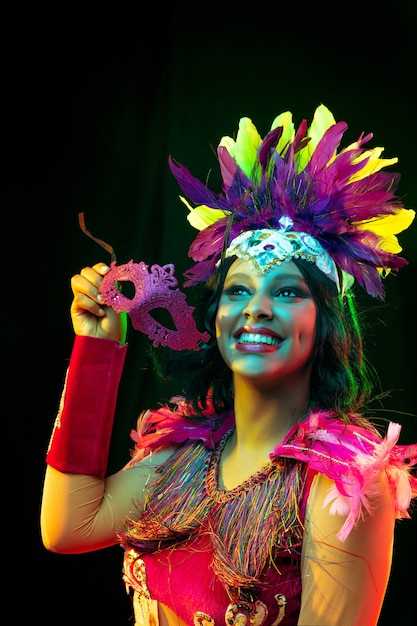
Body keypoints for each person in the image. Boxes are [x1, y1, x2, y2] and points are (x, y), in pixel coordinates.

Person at [40, 104, 417, 626]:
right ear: (215, 318)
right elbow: (67, 526)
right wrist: (97, 349)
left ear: (325, 322)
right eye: (238, 290)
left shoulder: (342, 485)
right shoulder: (183, 458)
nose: (256, 307)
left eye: (286, 291)